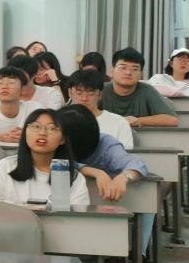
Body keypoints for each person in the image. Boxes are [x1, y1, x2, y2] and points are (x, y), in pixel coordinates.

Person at [59, 103, 155, 253]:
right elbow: (52, 162)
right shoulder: (53, 140)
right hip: (66, 215)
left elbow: (135, 163)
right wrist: (94, 172)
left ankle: (135, 256)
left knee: (146, 196)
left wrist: (123, 177)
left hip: (105, 212)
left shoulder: (105, 143)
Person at [0, 109, 89, 209]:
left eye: (52, 128)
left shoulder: (75, 179)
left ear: (62, 139)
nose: (42, 133)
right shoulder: (5, 167)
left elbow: (78, 218)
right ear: (25, 133)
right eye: (36, 126)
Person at [101, 49, 178, 128]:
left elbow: (172, 120)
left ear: (141, 75)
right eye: (123, 68)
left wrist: (138, 121)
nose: (128, 72)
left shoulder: (147, 90)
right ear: (112, 71)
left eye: (134, 69)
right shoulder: (99, 90)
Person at [65, 69, 133, 146]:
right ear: (70, 93)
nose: (84, 98)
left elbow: (124, 152)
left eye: (90, 93)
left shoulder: (119, 123)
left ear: (100, 94)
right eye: (79, 93)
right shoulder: (59, 122)